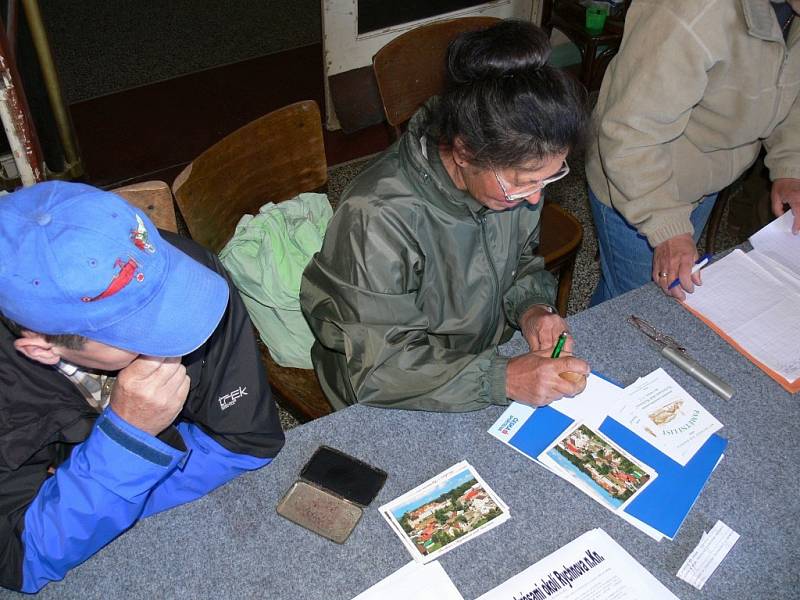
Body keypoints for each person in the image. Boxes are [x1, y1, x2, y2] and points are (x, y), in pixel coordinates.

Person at [0, 182, 284, 593]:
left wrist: (93, 492)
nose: (182, 326)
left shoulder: (181, 271)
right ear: (42, 348)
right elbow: (18, 559)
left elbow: (246, 442)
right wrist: (126, 439)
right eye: (137, 331)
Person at [300, 20, 591, 412]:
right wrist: (501, 378)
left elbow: (520, 262)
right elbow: (378, 370)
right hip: (391, 388)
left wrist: (533, 308)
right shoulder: (376, 219)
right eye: (521, 183)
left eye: (550, 177)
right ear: (464, 151)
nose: (536, 197)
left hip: (477, 360)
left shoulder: (511, 184)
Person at [586, 0, 800, 304]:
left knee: (659, 296)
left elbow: (789, 90)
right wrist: (667, 227)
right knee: (631, 303)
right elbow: (629, 135)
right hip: (637, 179)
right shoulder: (690, 9)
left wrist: (790, 166)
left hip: (701, 172)